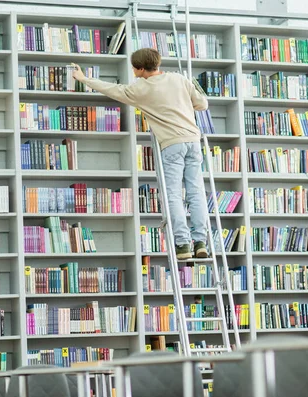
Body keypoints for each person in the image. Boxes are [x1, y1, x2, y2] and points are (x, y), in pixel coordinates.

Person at [71, 48, 209, 260]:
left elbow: (112, 89)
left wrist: (83, 79)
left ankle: (182, 244)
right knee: (196, 192)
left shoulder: (141, 89)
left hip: (172, 144)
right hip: (193, 141)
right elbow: (202, 104)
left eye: (134, 68)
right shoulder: (179, 79)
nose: (133, 71)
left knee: (173, 194)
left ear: (142, 69)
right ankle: (201, 241)